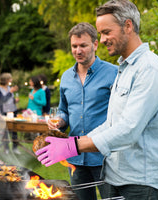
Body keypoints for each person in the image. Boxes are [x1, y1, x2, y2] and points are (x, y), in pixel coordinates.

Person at [35, 1, 158, 199]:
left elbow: (128, 130)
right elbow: (112, 123)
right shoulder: (126, 69)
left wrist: (74, 146)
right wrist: (72, 141)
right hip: (120, 177)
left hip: (142, 183)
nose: (104, 39)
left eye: (106, 32)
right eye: (101, 34)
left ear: (128, 26)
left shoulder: (148, 69)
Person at [46, 22, 118, 200]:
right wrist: (60, 121)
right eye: (74, 46)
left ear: (94, 44)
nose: (78, 50)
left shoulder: (114, 73)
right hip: (75, 158)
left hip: (105, 157)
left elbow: (121, 115)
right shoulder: (65, 77)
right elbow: (64, 110)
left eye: (83, 45)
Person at [0, 73, 21, 155]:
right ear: (6, 80)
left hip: (13, 111)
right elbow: (2, 100)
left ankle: (15, 148)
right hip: (4, 112)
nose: (11, 80)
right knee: (5, 131)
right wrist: (10, 92)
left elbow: (10, 99)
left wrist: (15, 100)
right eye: (10, 79)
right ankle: (6, 148)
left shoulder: (9, 88)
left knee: (14, 130)